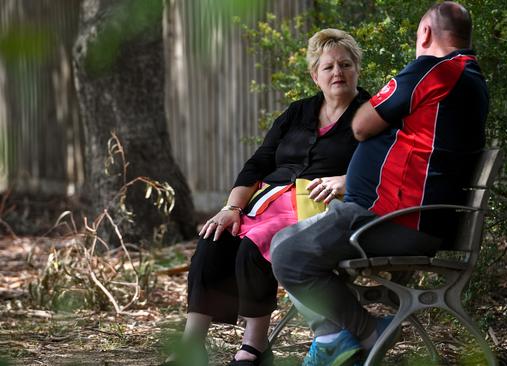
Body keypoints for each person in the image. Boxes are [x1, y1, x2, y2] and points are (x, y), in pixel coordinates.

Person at [270, 2, 489, 365]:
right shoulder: (469, 77)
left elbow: (361, 125)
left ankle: (365, 333)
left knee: (287, 252)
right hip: (410, 217)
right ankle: (339, 338)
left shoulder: (432, 70)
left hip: (396, 218)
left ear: (425, 33)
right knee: (288, 241)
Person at [163, 28, 370, 366]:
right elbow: (259, 162)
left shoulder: (370, 114)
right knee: (215, 236)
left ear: (357, 69)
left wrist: (346, 180)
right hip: (268, 202)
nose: (338, 73)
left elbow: (382, 165)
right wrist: (232, 207)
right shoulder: (297, 113)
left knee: (254, 243)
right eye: (328, 67)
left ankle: (254, 347)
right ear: (314, 75)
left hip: (319, 207)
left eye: (345, 65)